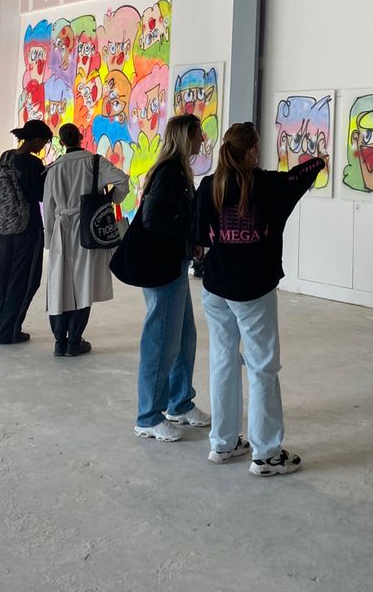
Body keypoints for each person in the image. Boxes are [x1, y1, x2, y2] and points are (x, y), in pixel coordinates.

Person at [193, 122, 324, 476]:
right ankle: (266, 454)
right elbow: (300, 176)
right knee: (263, 368)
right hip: (252, 291)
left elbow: (198, 237)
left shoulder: (209, 186)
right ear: (251, 152)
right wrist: (320, 160)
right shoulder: (265, 185)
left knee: (222, 361)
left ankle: (223, 443)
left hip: (216, 289)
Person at [134, 114, 210, 442]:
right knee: (161, 340)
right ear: (185, 136)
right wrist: (188, 238)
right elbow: (152, 219)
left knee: (184, 337)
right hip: (161, 266)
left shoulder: (179, 171)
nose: (203, 139)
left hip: (173, 265)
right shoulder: (168, 172)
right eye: (198, 133)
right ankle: (148, 416)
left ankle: (179, 403)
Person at [43, 123, 129, 357]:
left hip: (62, 228)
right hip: (87, 226)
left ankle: (60, 342)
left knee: (58, 283)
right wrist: (112, 199)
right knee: (83, 282)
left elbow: (48, 209)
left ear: (61, 142)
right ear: (81, 137)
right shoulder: (94, 162)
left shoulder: (53, 168)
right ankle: (75, 341)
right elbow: (122, 180)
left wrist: (49, 239)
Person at [0, 119, 53, 345]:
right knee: (25, 280)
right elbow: (38, 195)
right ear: (36, 139)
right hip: (26, 229)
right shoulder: (33, 164)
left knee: (5, 277)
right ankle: (10, 330)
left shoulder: (5, 157)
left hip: (3, 226)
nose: (42, 147)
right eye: (43, 142)